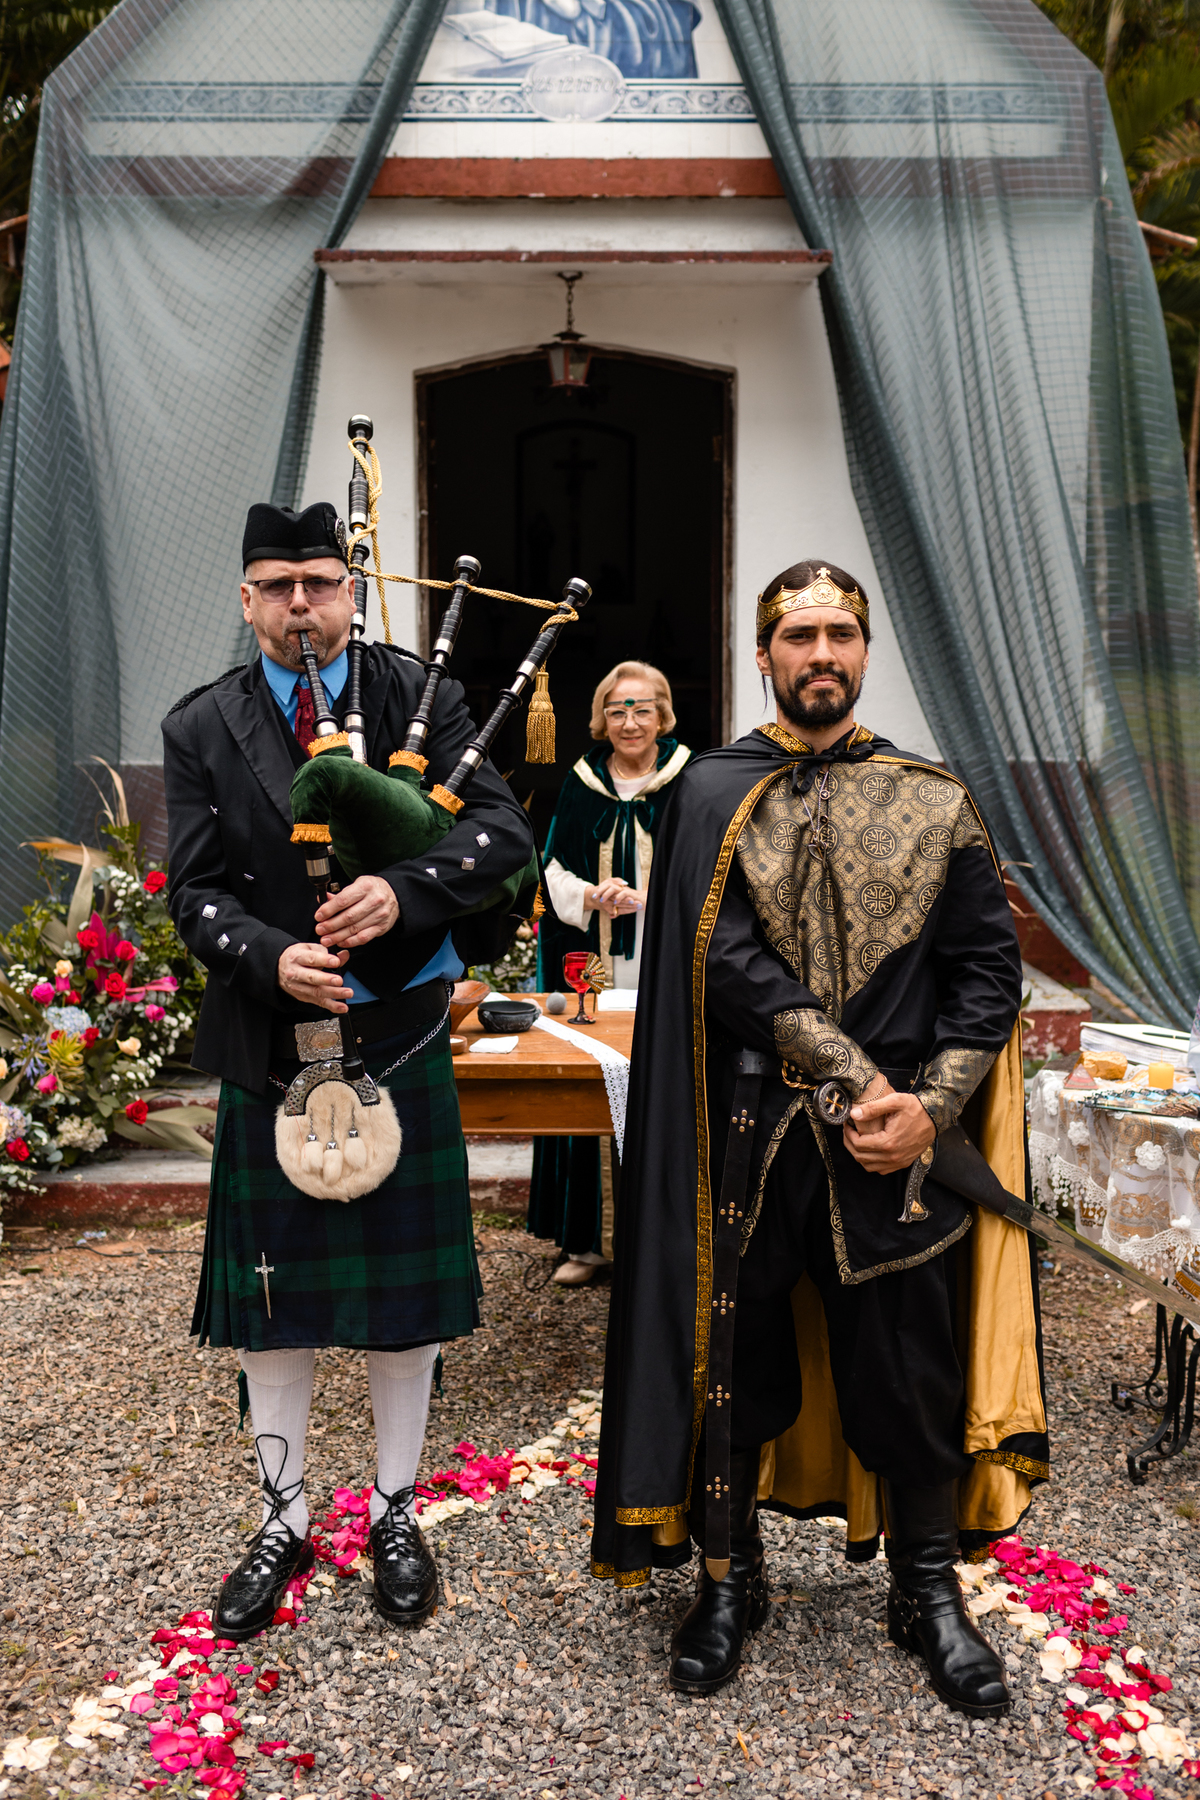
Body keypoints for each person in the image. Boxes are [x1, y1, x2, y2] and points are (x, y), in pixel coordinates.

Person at [591, 562, 1047, 1719]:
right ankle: (731, 1582)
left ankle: (928, 1593)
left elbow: (989, 976)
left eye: (841, 632)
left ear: (864, 650)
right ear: (763, 657)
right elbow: (728, 960)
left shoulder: (937, 796)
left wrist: (927, 1108)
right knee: (735, 1369)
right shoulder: (709, 795)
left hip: (897, 1151)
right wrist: (856, 1078)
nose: (821, 653)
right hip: (749, 1136)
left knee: (911, 1365)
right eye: (799, 635)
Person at [161, 501, 534, 1640]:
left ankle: (394, 1508)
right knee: (275, 1303)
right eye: (276, 586)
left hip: (401, 1033)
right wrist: (273, 958)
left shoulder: (424, 698)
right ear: (246, 599)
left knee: (398, 1298)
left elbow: (503, 839)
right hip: (279, 1044)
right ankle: (283, 1514)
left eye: (319, 581)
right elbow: (192, 888)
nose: (300, 605)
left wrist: (406, 892)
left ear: (351, 587)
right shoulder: (203, 726)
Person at [528, 662, 690, 1285]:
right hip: (593, 955)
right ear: (602, 716)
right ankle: (589, 1242)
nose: (630, 722)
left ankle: (666, 1238)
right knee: (593, 1069)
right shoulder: (580, 782)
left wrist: (655, 896)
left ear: (662, 714)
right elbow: (552, 867)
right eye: (617, 710)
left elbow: (712, 866)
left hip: (663, 950)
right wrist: (591, 897)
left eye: (642, 708)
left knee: (664, 1075)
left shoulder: (690, 778)